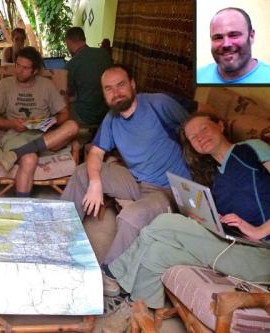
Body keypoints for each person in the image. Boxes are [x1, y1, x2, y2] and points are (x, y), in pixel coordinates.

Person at [104, 112, 270, 313]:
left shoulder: (251, 149)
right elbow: (230, 225)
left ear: (220, 125)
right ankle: (134, 312)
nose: (199, 137)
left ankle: (112, 273)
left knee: (164, 222)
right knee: (157, 253)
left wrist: (260, 230)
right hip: (236, 245)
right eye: (193, 137)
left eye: (204, 129)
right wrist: (207, 221)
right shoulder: (215, 180)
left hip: (263, 253)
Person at [61, 64, 191, 286]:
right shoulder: (111, 119)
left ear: (132, 84)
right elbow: (96, 153)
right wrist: (95, 183)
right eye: (108, 88)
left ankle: (110, 276)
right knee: (84, 171)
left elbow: (195, 123)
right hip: (137, 180)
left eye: (121, 85)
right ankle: (60, 232)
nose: (116, 92)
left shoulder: (158, 104)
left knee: (131, 216)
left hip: (170, 188)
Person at [0, 46, 79, 196]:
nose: (19, 71)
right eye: (17, 65)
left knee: (73, 126)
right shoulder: (5, 85)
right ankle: (21, 208)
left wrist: (50, 122)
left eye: (25, 68)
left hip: (46, 136)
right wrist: (12, 124)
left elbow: (64, 114)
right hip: (17, 136)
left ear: (34, 70)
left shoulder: (46, 85)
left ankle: (17, 153)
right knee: (29, 158)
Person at [197, 7, 270, 84]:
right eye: (218, 37)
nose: (226, 44)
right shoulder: (199, 76)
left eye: (234, 35)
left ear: (251, 36)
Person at [65, 27, 112, 128]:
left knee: (62, 109)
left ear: (68, 42)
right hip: (107, 112)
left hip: (86, 116)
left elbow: (67, 94)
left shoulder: (71, 65)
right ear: (84, 39)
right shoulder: (104, 53)